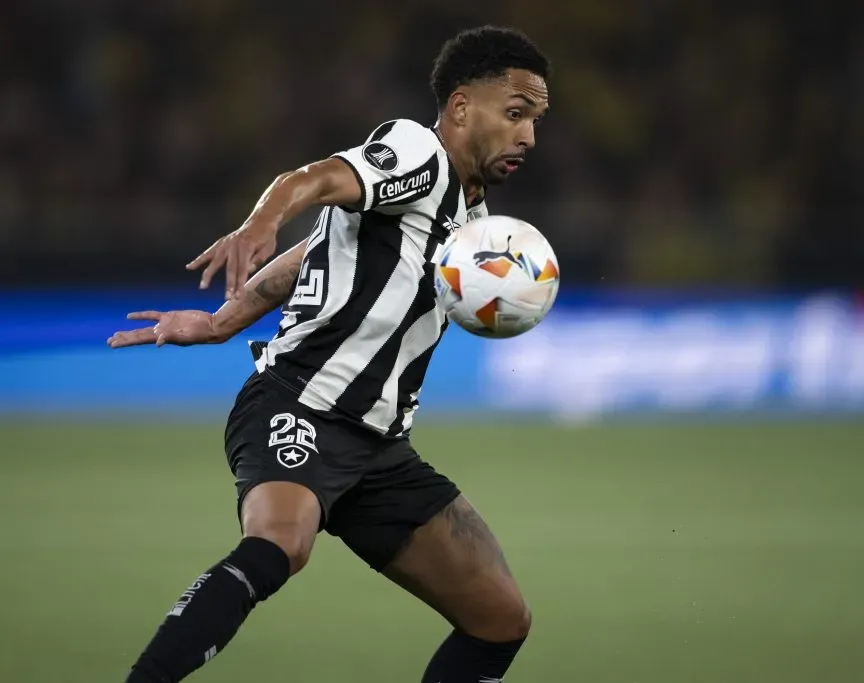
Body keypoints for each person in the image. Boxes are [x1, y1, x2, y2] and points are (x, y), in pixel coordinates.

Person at [107, 25, 550, 682]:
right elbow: (311, 181)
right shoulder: (416, 152)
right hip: (300, 403)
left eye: (536, 120)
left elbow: (315, 248)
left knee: (500, 618)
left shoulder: (470, 214)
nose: (528, 138)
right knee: (279, 544)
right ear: (461, 107)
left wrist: (223, 321)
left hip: (379, 448)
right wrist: (260, 220)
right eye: (516, 114)